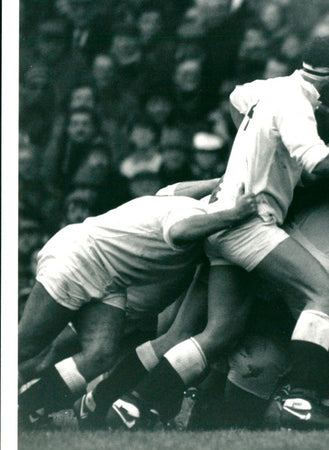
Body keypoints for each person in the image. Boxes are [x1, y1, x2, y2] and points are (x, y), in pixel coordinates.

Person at [105, 37, 329, 431]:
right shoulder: (296, 102)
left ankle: (134, 403)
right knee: (325, 294)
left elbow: (236, 98)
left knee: (218, 333)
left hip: (221, 217)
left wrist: (260, 144)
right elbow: (315, 162)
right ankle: (301, 398)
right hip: (248, 222)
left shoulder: (270, 89)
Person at [17, 180, 257, 427]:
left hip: (108, 279)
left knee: (100, 355)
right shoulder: (192, 212)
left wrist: (220, 182)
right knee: (24, 347)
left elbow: (170, 192)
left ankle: (24, 407)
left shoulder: (181, 203)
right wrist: (235, 214)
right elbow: (178, 232)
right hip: (78, 257)